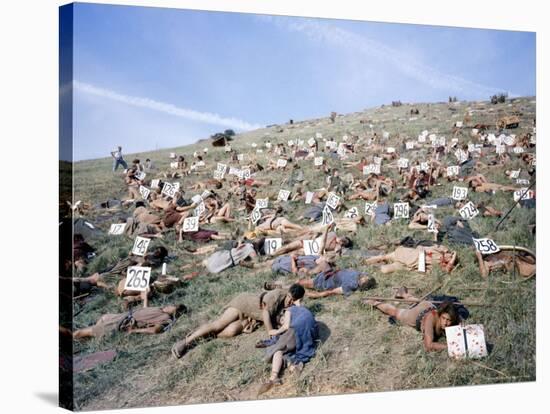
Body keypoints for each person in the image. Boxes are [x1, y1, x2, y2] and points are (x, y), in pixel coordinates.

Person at [171, 286, 297, 359]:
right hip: (243, 304)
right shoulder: (278, 294)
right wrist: (271, 333)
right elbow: (265, 313)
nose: (290, 303)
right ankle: (186, 341)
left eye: (293, 301)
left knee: (231, 331)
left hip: (251, 317)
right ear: (288, 294)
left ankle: (206, 334)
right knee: (219, 325)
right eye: (290, 299)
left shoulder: (288, 305)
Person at [257, 284, 318, 395]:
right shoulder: (303, 310)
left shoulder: (290, 310)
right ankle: (292, 366)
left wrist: (274, 332)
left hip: (296, 331)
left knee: (277, 349)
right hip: (308, 335)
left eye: (291, 299)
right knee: (288, 352)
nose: (289, 301)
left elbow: (285, 327)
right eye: (288, 297)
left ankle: (273, 377)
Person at [364, 287, 460, 352]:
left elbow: (462, 327)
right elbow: (428, 345)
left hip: (429, 305)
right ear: (440, 315)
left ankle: (403, 293)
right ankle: (374, 302)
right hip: (417, 315)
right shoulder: (430, 320)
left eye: (449, 320)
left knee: (418, 301)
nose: (446, 323)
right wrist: (450, 347)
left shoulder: (454, 319)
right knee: (395, 312)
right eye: (444, 318)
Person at [73, 292, 186, 339]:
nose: (169, 305)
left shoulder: (166, 318)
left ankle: (92, 334)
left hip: (124, 322)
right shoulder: (160, 309)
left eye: (173, 306)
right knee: (104, 317)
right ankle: (95, 337)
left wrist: (134, 331)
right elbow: (145, 311)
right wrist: (145, 297)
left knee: (80, 332)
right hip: (123, 316)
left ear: (175, 311)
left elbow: (155, 330)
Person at [294, 269, 376, 298]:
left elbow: (333, 291)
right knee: (302, 283)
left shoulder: (355, 277)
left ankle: (294, 284)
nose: (365, 277)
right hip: (325, 279)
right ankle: (293, 285)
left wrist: (317, 295)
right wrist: (317, 295)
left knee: (304, 282)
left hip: (326, 279)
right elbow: (332, 291)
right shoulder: (357, 275)